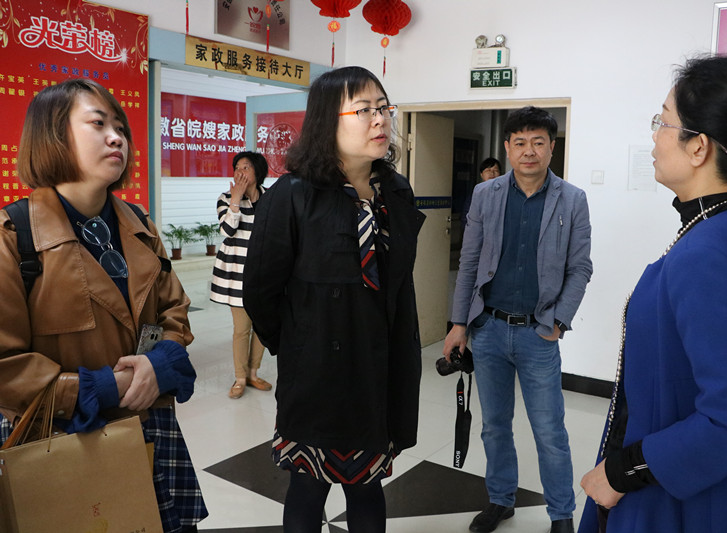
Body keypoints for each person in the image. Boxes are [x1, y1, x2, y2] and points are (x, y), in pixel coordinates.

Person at [578, 56, 727, 533]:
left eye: (663, 122)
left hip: (680, 498)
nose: (655, 136)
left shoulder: (708, 254)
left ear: (698, 147)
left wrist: (621, 472)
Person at [0, 79, 206, 532]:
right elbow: (6, 364)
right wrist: (101, 388)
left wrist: (159, 362)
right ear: (52, 136)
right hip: (61, 443)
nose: (117, 138)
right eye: (98, 124)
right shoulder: (14, 236)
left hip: (150, 429)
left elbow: (174, 311)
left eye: (121, 128)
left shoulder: (140, 224)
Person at [242, 66, 425, 533]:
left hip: (379, 371)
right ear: (328, 120)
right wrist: (301, 344)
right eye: (363, 110)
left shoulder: (396, 192)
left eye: (383, 108)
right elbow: (260, 291)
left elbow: (398, 284)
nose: (379, 120)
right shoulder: (292, 195)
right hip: (317, 374)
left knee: (367, 487)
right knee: (307, 486)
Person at [444, 106, 593, 533]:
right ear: (508, 148)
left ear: (551, 147)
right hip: (488, 330)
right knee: (494, 427)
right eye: (521, 142)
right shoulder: (485, 194)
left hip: (537, 333)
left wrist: (559, 321)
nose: (530, 151)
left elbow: (580, 268)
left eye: (538, 142)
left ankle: (561, 514)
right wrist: (458, 323)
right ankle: (500, 500)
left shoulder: (572, 199)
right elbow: (469, 262)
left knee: (549, 431)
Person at [210, 151, 272, 399]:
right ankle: (240, 377)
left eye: (246, 167)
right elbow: (227, 230)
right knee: (242, 328)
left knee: (263, 326)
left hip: (265, 273)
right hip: (237, 273)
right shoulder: (225, 198)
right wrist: (236, 199)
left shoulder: (271, 198)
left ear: (258, 171)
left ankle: (253, 373)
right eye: (237, 167)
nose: (240, 172)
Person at [463, 156, 503, 223]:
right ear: (481, 174)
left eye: (495, 170)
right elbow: (466, 220)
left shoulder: (505, 194)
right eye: (488, 170)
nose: (492, 173)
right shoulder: (475, 195)